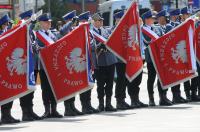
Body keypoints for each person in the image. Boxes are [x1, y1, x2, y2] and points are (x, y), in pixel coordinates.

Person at [142, 10, 173, 106]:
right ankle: (151, 99)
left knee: (161, 77)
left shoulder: (157, 28)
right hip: (151, 57)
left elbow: (163, 39)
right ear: (146, 20)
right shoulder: (143, 30)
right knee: (151, 78)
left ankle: (162, 97)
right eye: (151, 18)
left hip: (160, 57)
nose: (153, 20)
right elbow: (147, 42)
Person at [36, 13, 63, 119]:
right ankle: (47, 110)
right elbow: (38, 48)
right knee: (45, 89)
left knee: (54, 88)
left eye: (50, 22)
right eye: (47, 22)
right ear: (41, 23)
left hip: (53, 67)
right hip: (43, 66)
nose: (49, 24)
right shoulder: (37, 34)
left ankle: (54, 110)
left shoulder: (53, 34)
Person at [18, 9, 42, 121]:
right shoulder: (21, 29)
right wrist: (29, 23)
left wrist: (35, 46)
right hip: (24, 65)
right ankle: (25, 113)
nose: (33, 20)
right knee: (25, 90)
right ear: (26, 19)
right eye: (30, 18)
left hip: (33, 63)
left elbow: (33, 42)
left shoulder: (32, 31)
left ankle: (30, 111)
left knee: (31, 89)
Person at [91, 13, 117, 112]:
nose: (101, 22)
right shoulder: (91, 32)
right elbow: (90, 45)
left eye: (101, 20)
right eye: (99, 20)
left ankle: (108, 104)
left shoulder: (106, 30)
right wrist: (99, 46)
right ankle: (101, 104)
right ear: (94, 22)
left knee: (110, 84)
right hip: (99, 61)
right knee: (101, 84)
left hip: (110, 60)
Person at [60, 10, 83, 116]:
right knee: (68, 86)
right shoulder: (64, 29)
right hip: (67, 62)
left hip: (74, 61)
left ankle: (72, 106)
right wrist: (70, 23)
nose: (75, 22)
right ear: (68, 20)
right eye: (73, 20)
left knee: (73, 86)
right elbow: (62, 31)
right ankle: (67, 108)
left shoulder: (74, 29)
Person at [78, 11, 99, 114]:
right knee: (84, 85)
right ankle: (84, 106)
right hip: (84, 63)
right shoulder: (79, 32)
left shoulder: (89, 31)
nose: (88, 22)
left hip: (92, 62)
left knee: (91, 84)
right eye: (86, 20)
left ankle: (88, 104)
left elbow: (93, 46)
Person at [0, 14, 20, 124]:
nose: (7, 25)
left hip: (7, 68)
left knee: (8, 92)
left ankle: (6, 115)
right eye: (6, 24)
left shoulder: (7, 33)